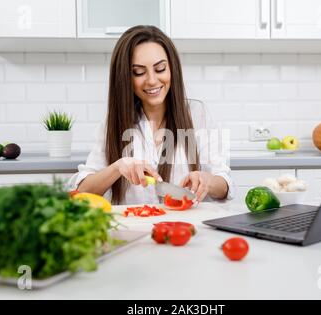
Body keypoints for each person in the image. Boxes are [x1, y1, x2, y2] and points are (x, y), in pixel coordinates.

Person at [68, 25, 235, 205]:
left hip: (187, 228)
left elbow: (225, 184)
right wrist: (117, 167)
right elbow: (82, 190)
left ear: (172, 68)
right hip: (133, 230)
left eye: (160, 69)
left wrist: (207, 182)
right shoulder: (113, 123)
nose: (152, 80)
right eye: (139, 72)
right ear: (126, 77)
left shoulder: (197, 114)